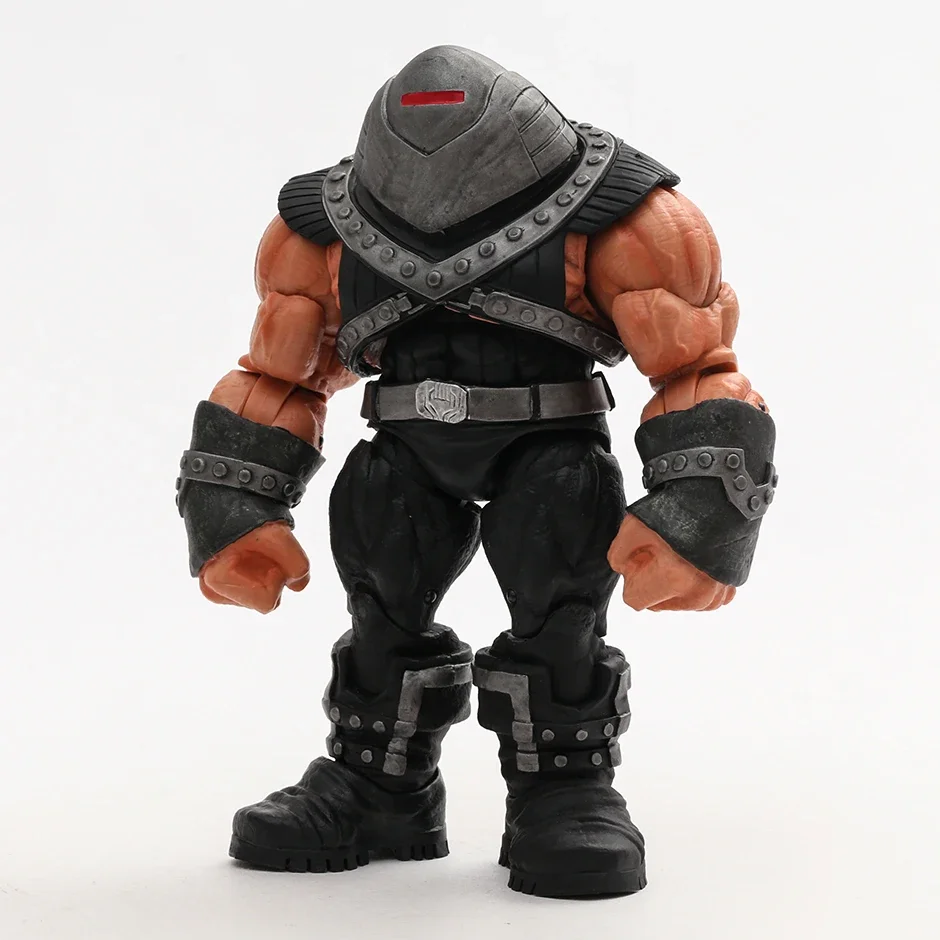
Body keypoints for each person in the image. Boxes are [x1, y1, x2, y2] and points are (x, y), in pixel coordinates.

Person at [176, 45, 777, 898]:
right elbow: (279, 377)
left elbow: (698, 370)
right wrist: (234, 511)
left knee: (561, 611)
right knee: (381, 602)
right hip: (402, 446)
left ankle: (564, 789)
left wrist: (697, 516)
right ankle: (377, 786)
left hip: (552, 445)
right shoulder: (325, 230)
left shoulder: (625, 215)